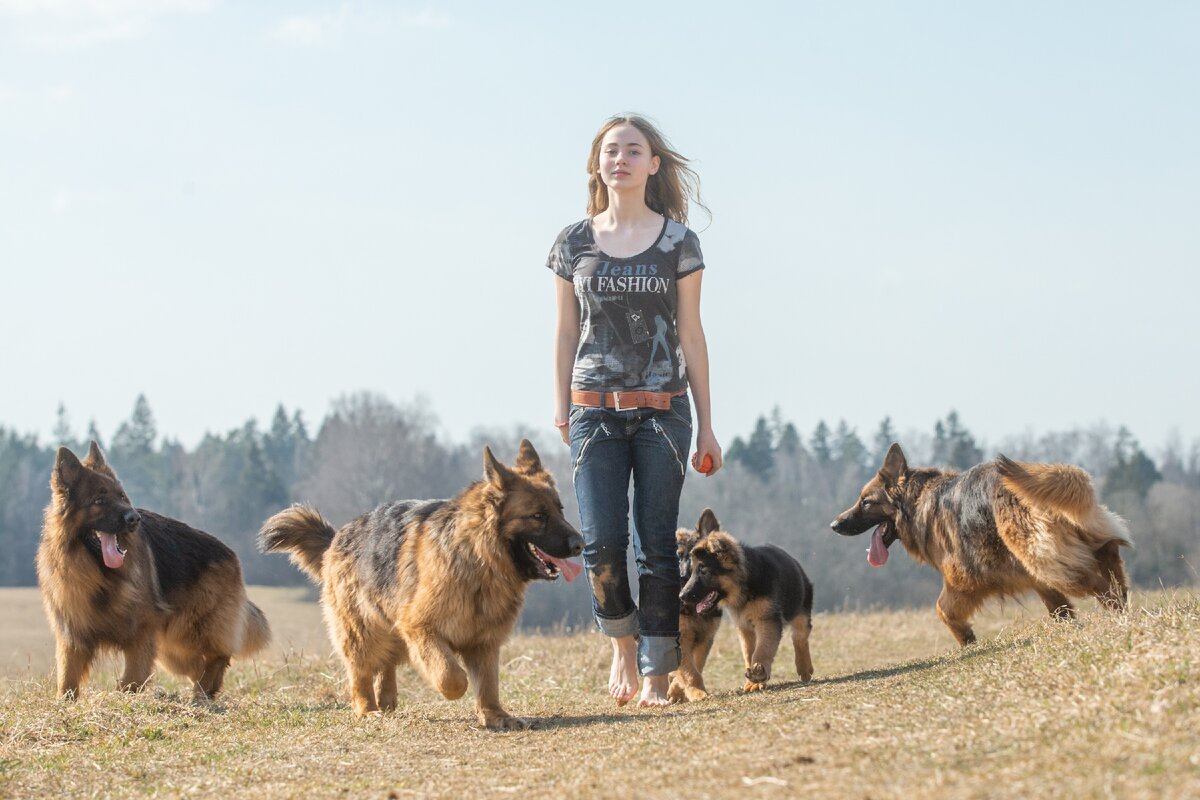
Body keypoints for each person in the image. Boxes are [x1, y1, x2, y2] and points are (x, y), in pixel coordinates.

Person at [547, 114, 722, 707]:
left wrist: (707, 424)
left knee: (655, 544)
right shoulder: (573, 242)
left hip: (663, 412)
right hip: (593, 409)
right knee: (599, 542)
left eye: (633, 150)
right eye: (610, 150)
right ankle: (622, 644)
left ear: (653, 164)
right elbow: (566, 330)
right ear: (597, 164)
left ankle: (656, 669)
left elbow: (692, 336)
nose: (619, 158)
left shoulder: (679, 243)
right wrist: (560, 406)